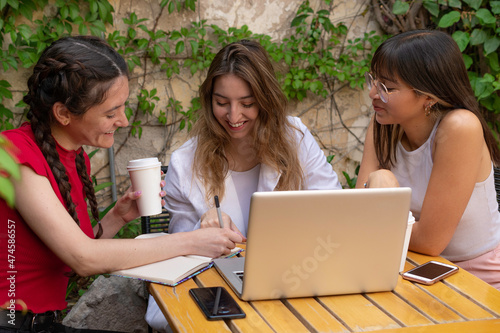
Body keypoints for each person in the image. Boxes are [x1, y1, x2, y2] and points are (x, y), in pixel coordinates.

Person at [0, 36, 243, 333]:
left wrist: (118, 216)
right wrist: (191, 242)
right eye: (110, 112)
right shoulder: (13, 155)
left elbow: (70, 262)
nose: (124, 120)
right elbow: (83, 258)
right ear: (63, 113)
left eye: (123, 107)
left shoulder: (74, 159)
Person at [145, 39, 342, 331]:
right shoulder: (185, 163)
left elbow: (334, 210)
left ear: (266, 100)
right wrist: (203, 228)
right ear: (209, 98)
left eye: (247, 104)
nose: (234, 117)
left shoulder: (295, 137)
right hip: (216, 295)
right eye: (222, 103)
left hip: (295, 279)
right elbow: (179, 260)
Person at [356, 29, 500, 289]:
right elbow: (358, 211)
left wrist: (382, 194)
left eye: (387, 87)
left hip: (476, 276)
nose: (373, 93)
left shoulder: (460, 127)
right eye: (374, 81)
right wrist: (378, 186)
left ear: (428, 97)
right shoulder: (383, 124)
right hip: (408, 268)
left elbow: (431, 242)